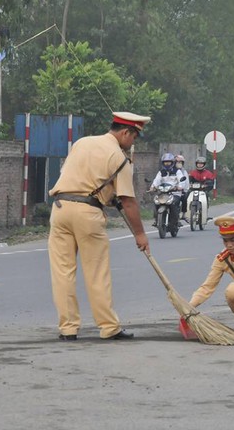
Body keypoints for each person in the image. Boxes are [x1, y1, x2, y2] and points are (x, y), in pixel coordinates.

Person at [48, 111, 150, 341]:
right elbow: (128, 201)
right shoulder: (119, 158)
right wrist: (140, 234)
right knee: (96, 273)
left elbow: (75, 175)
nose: (132, 143)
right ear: (125, 132)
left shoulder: (82, 143)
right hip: (88, 214)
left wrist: (106, 194)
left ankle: (68, 329)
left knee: (62, 272)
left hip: (60, 209)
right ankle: (108, 327)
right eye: (133, 137)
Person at [150, 153, 186, 226]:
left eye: (169, 162)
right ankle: (157, 220)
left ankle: (176, 221)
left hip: (175, 193)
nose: (167, 164)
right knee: (156, 202)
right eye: (165, 162)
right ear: (163, 163)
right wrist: (152, 187)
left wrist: (179, 187)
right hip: (163, 193)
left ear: (172, 162)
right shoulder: (161, 172)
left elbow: (181, 180)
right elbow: (156, 181)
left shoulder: (177, 171)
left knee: (174, 204)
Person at [175, 155, 190, 220]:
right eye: (177, 162)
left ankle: (183, 213)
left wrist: (183, 189)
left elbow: (186, 182)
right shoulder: (171, 170)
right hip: (169, 191)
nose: (179, 164)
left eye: (180, 162)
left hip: (180, 191)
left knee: (184, 198)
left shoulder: (184, 172)